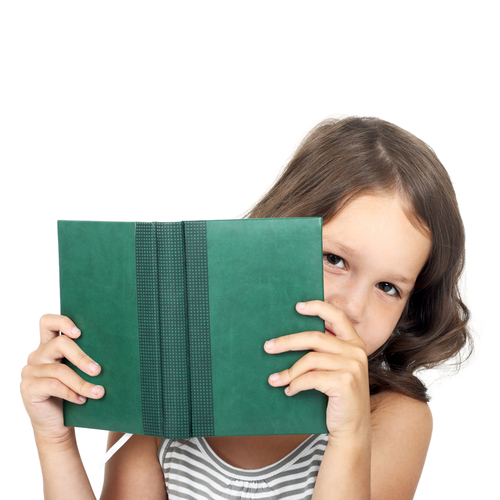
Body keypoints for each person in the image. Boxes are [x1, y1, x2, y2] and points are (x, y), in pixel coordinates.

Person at [21, 116, 472, 499]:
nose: (352, 307)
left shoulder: (391, 418)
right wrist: (55, 439)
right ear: (275, 238)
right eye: (334, 260)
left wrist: (349, 434)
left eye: (389, 287)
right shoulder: (165, 398)